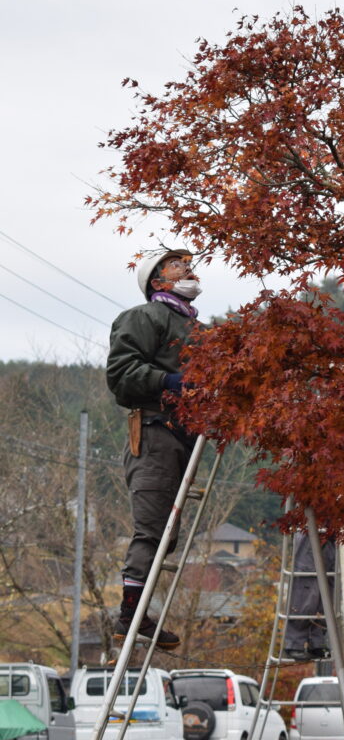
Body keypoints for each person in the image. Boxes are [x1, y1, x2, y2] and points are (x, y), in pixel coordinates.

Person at [106, 249, 202, 649]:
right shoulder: (143, 317)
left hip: (183, 436)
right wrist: (168, 381)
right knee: (152, 531)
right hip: (152, 430)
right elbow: (121, 373)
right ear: (157, 280)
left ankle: (137, 612)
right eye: (178, 264)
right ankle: (130, 615)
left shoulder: (200, 329)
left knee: (167, 533)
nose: (190, 269)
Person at [283, 530, 336, 661]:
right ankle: (294, 643)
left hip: (332, 533)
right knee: (305, 591)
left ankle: (317, 642)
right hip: (312, 529)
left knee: (326, 593)